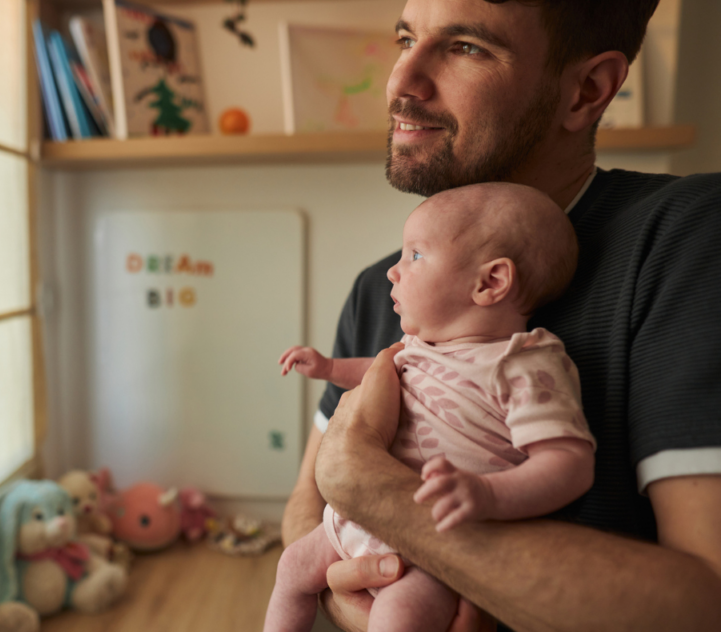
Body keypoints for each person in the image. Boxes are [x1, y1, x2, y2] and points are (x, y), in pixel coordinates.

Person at [280, 1, 721, 631]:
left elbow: (709, 603)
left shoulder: (690, 239)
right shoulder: (379, 287)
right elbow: (306, 505)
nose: (400, 81)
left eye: (466, 47)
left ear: (587, 90)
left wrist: (381, 497)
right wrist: (350, 595)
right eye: (406, 37)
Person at [266, 182, 595, 632]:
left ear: (491, 282)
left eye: (415, 256)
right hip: (356, 519)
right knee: (291, 569)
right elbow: (380, 372)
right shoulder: (418, 346)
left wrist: (488, 496)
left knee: (397, 618)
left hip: (435, 549)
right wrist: (329, 367)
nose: (393, 272)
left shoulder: (522, 364)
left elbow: (570, 464)